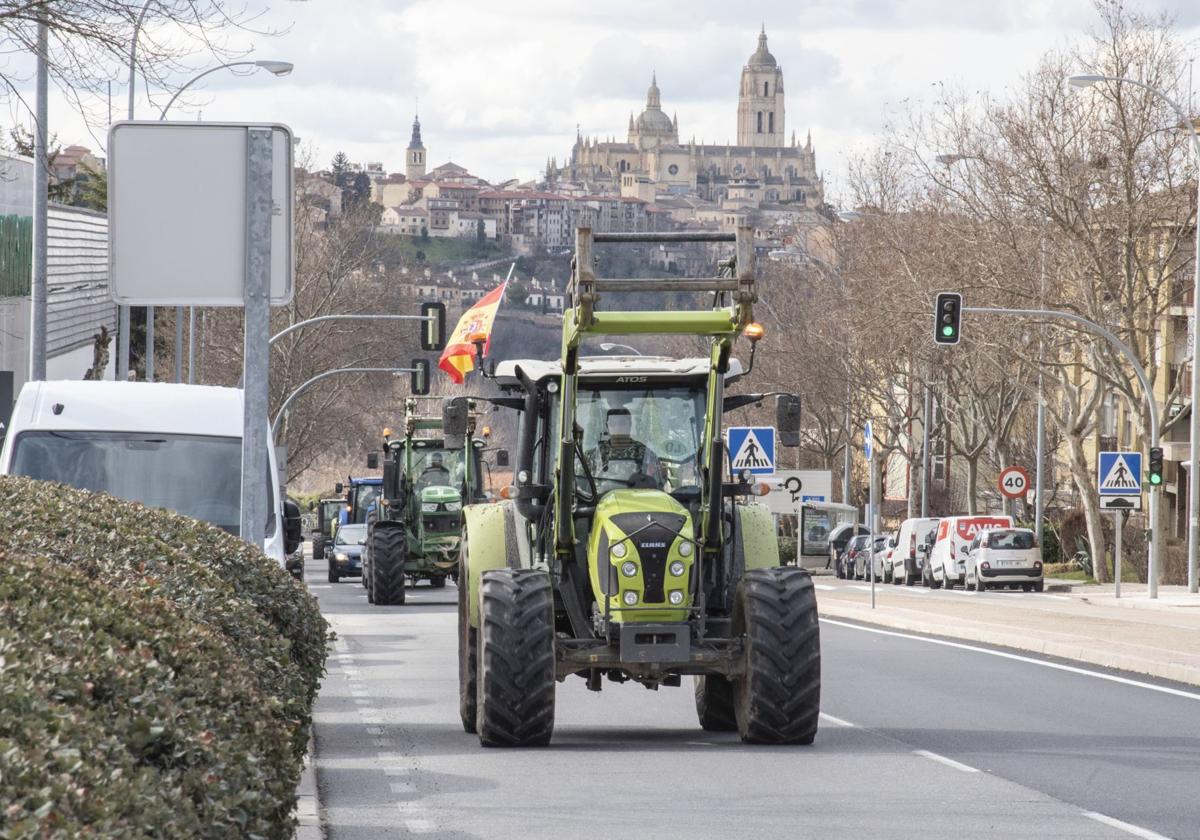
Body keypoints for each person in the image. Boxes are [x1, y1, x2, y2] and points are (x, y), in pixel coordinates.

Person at [590, 408, 662, 489]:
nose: (617, 428)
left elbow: (657, 487)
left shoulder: (644, 453)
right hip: (600, 500)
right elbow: (580, 487)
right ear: (607, 426)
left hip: (636, 500)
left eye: (622, 423)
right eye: (613, 424)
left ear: (630, 425)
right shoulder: (595, 454)